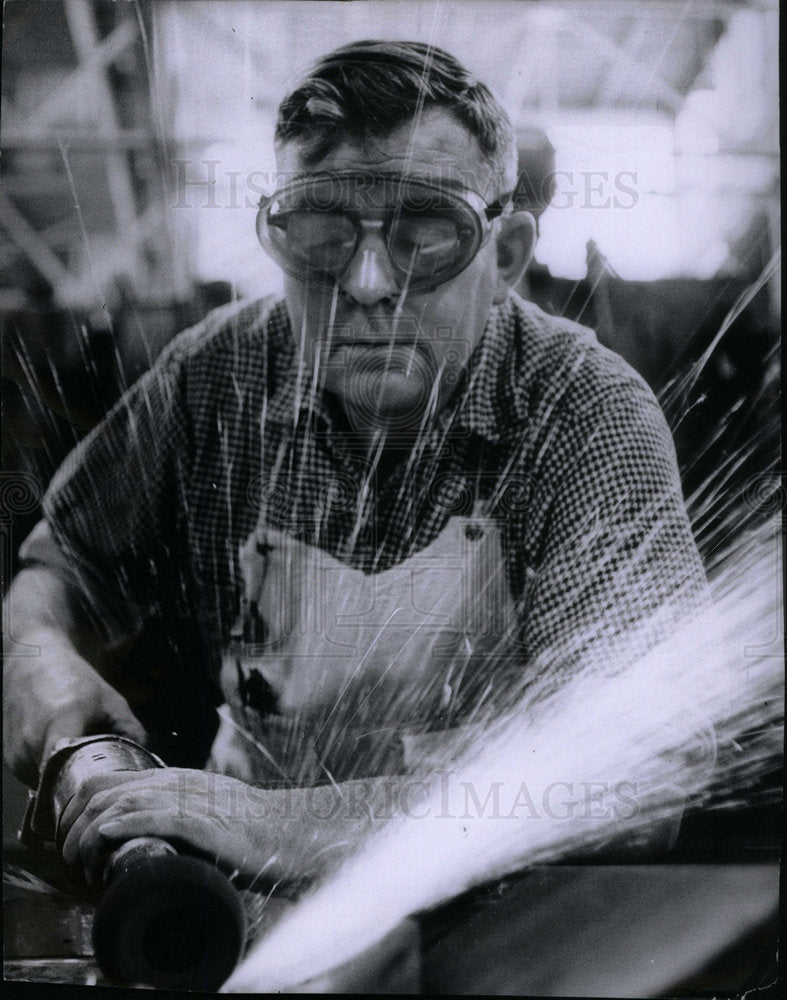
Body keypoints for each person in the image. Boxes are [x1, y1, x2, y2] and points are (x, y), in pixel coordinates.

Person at [4, 41, 709, 886]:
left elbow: (641, 772)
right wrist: (35, 654)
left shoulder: (583, 412)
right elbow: (63, 569)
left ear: (507, 255)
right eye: (322, 236)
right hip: (232, 902)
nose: (369, 283)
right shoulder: (212, 381)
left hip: (506, 924)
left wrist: (290, 822)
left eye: (425, 237)